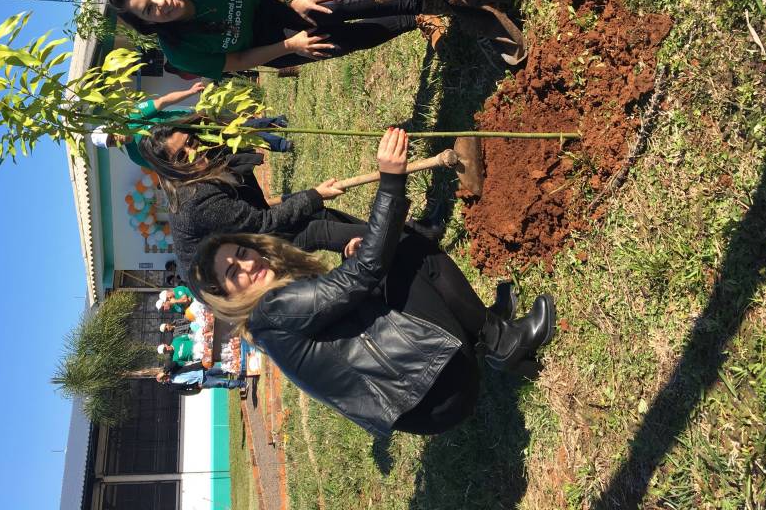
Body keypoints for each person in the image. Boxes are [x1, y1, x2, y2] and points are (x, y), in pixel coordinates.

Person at [188, 128, 556, 436]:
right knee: (403, 248)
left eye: (242, 253)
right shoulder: (273, 309)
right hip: (440, 390)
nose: (248, 265)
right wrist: (391, 180)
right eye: (233, 273)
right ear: (226, 297)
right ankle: (502, 341)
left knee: (385, 257)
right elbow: (368, 269)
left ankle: (481, 329)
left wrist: (354, 260)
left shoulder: (265, 323)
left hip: (427, 403)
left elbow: (349, 301)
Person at [106, 0, 455, 79]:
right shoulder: (179, 51)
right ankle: (413, 20)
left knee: (328, 8)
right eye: (149, 9)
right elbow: (237, 61)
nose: (161, 3)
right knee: (336, 43)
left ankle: (423, 2)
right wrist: (290, 47)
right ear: (148, 23)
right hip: (266, 43)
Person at [130, 122, 367, 276]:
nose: (194, 152)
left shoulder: (205, 160)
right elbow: (263, 223)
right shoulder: (194, 200)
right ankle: (381, 243)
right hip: (233, 274)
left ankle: (377, 235)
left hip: (246, 237)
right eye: (182, 156)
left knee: (318, 213)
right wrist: (315, 195)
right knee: (315, 229)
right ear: (170, 169)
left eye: (191, 142)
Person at [89, 82, 293, 161]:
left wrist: (190, 92)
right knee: (237, 141)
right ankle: (280, 141)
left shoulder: (133, 116)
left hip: (193, 122)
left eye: (112, 136)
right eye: (111, 143)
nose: (115, 140)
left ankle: (277, 127)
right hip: (195, 147)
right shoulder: (136, 155)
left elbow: (163, 101)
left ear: (114, 127)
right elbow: (164, 165)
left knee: (237, 127)